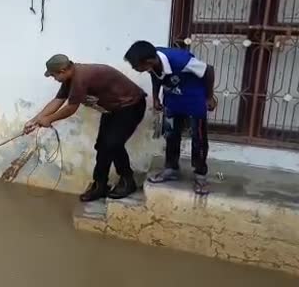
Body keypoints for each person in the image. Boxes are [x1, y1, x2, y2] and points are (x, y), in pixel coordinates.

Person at [24, 54, 147, 202]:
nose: (54, 79)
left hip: (131, 105)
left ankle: (128, 180)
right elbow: (58, 100)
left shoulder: (80, 78)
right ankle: (100, 185)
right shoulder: (71, 77)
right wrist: (35, 120)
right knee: (102, 145)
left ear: (63, 70)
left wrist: (49, 119)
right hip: (112, 109)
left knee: (113, 143)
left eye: (54, 75)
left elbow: (70, 108)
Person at [124, 41, 216, 195]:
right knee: (171, 134)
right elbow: (155, 75)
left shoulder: (181, 60)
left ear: (148, 62)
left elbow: (209, 70)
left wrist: (209, 97)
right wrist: (156, 97)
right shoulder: (152, 62)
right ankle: (171, 169)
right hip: (173, 101)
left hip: (194, 100)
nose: (136, 70)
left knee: (198, 139)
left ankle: (200, 176)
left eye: (136, 67)